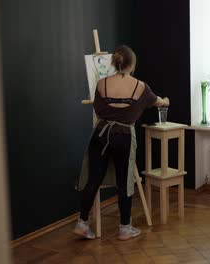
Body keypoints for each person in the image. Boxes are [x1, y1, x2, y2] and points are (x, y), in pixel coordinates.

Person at [73, 45, 169, 240]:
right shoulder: (141, 86)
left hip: (100, 134)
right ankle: (125, 228)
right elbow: (157, 101)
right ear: (131, 65)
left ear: (114, 63)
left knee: (94, 179)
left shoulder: (101, 84)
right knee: (124, 181)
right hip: (123, 136)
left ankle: (82, 222)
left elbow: (99, 110)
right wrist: (165, 101)